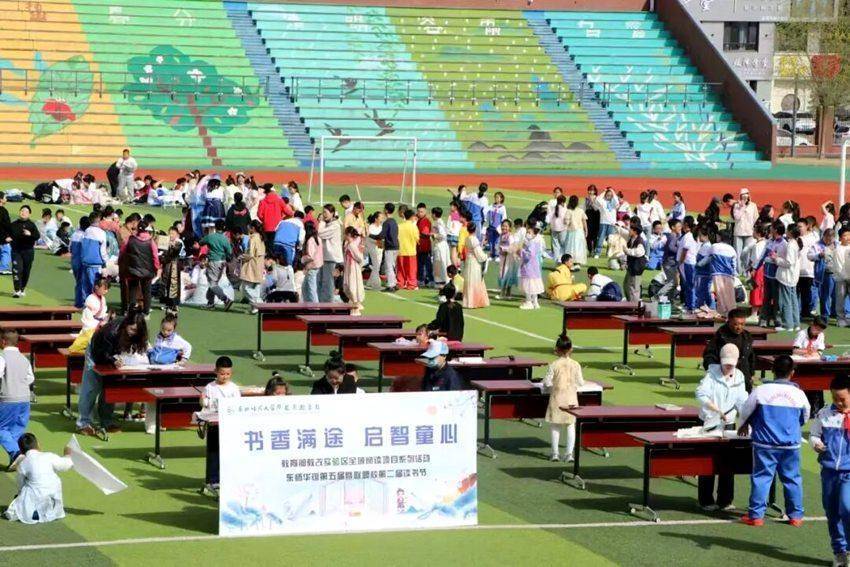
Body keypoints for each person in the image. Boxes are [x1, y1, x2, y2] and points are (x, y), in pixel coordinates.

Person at [739, 355, 809, 527]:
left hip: (765, 443)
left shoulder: (761, 390)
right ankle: (796, 516)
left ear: (772, 370)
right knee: (792, 479)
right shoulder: (799, 394)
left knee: (762, 478)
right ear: (792, 373)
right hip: (791, 444)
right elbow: (805, 416)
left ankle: (756, 516)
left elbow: (746, 410)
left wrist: (743, 424)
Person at [76, 310, 148, 436]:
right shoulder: (109, 332)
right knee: (91, 388)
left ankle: (106, 421)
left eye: (136, 331)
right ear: (126, 324)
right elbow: (101, 354)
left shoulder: (136, 333)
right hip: (95, 353)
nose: (133, 333)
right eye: (132, 329)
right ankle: (83, 423)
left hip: (113, 354)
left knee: (110, 388)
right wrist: (113, 360)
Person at [695, 343, 748, 511]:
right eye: (726, 364)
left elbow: (742, 400)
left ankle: (725, 500)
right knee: (708, 462)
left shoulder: (739, 376)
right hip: (709, 422)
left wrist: (746, 418)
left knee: (728, 462)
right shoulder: (711, 374)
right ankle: (705, 500)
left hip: (729, 423)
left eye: (731, 364)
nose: (728, 367)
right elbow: (700, 394)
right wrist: (715, 409)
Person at [809, 376, 850, 566]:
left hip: (848, 473)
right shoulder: (824, 413)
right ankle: (840, 552)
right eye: (834, 398)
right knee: (832, 513)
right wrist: (816, 443)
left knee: (847, 507)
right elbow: (814, 434)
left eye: (842, 399)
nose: (838, 402)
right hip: (829, 472)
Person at [4, 433, 73, 523]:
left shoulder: (22, 464)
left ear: (21, 450)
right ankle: (48, 511)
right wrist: (68, 454)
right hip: (54, 501)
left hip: (37, 500)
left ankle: (34, 512)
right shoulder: (49, 456)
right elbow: (67, 465)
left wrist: (19, 497)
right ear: (38, 444)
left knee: (20, 498)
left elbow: (20, 485)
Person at [200, 356, 240, 491]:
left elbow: (238, 405)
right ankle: (213, 480)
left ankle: (229, 478)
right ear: (216, 372)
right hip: (214, 425)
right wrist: (202, 400)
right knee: (214, 452)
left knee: (229, 452)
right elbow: (205, 404)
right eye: (222, 374)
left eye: (228, 374)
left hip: (229, 425)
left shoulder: (234, 388)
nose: (225, 377)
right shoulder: (210, 387)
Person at [543, 335, 584, 462]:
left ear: (557, 349)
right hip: (571, 399)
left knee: (556, 426)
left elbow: (547, 382)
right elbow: (581, 382)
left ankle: (555, 453)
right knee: (570, 426)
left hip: (557, 398)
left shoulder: (554, 364)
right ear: (571, 349)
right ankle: (569, 454)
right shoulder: (576, 364)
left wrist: (551, 387)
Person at [0, 330, 35, 468]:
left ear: (3, 341)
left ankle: (15, 453)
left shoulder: (2, 357)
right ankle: (18, 459)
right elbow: (30, 378)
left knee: (1, 428)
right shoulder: (24, 358)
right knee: (17, 429)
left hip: (8, 398)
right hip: (24, 398)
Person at [702, 307, 756, 391]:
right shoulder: (720, 336)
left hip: (744, 377)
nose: (739, 327)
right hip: (724, 378)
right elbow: (709, 356)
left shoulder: (747, 336)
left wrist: (751, 374)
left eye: (742, 324)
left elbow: (751, 357)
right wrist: (714, 374)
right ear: (729, 321)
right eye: (736, 324)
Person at [119, 220, 160, 316]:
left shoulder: (130, 239)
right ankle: (146, 311)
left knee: (132, 290)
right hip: (147, 271)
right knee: (147, 292)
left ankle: (131, 310)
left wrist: (121, 262)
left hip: (133, 269)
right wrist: (156, 268)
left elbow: (122, 251)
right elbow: (155, 257)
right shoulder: (151, 242)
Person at [199, 220, 234, 311]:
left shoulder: (211, 236)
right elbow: (229, 252)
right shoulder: (225, 239)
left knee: (212, 284)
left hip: (213, 261)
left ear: (215, 227)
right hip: (222, 262)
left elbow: (201, 242)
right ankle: (210, 303)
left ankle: (225, 299)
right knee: (213, 282)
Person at [775, 224, 803, 332]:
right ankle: (795, 323)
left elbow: (789, 262)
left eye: (787, 230)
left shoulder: (791, 244)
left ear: (791, 232)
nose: (786, 232)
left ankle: (788, 324)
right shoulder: (795, 243)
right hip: (792, 276)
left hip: (787, 276)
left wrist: (776, 259)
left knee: (785, 301)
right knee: (793, 300)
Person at [9, 205, 38, 298]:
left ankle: (22, 288)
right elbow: (6, 234)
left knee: (26, 271)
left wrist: (30, 234)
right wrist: (7, 238)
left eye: (26, 211)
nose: (23, 213)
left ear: (29, 214)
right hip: (16, 251)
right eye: (22, 210)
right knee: (17, 269)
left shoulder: (31, 225)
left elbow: (37, 236)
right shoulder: (13, 224)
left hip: (28, 251)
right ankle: (16, 290)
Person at [317, 204, 343, 302]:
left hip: (331, 258)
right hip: (325, 257)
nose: (324, 215)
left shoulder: (335, 225)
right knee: (322, 281)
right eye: (323, 212)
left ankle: (328, 304)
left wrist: (321, 222)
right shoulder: (329, 224)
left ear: (332, 213)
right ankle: (322, 303)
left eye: (325, 212)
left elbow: (320, 233)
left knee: (328, 283)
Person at [709, 232, 738, 317]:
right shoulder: (732, 249)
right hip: (729, 274)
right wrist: (734, 274)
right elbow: (734, 264)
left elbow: (708, 258)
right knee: (730, 294)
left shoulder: (714, 246)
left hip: (717, 273)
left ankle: (722, 312)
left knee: (719, 293)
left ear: (720, 237)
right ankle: (732, 311)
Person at [810, 228, 837, 323]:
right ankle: (825, 316)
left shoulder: (837, 244)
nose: (829, 240)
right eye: (827, 238)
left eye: (831, 238)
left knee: (836, 295)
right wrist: (819, 255)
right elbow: (809, 256)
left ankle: (835, 313)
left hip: (837, 273)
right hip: (824, 273)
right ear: (824, 236)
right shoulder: (817, 245)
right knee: (825, 296)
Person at [239, 220, 266, 309]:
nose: (247, 228)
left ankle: (257, 303)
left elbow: (250, 254)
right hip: (259, 264)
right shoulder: (261, 237)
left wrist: (242, 256)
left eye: (249, 227)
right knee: (256, 288)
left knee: (245, 288)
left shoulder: (253, 238)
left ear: (253, 228)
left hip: (252, 265)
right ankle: (255, 308)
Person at [462, 222, 490, 309]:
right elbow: (478, 253)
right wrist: (485, 256)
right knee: (475, 280)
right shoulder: (474, 239)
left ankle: (469, 301)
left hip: (469, 260)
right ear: (475, 229)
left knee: (470, 279)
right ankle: (474, 302)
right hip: (474, 262)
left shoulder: (467, 238)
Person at [158, 225, 185, 314]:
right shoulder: (166, 242)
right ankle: (168, 303)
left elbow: (175, 252)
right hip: (167, 266)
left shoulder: (178, 243)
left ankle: (174, 304)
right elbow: (161, 252)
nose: (171, 235)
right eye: (170, 233)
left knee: (174, 285)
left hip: (174, 266)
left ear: (177, 234)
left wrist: (171, 245)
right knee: (166, 284)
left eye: (173, 233)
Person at [732, 188, 758, 272]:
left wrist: (753, 228)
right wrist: (742, 206)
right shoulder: (736, 205)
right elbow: (737, 217)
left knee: (747, 252)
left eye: (746, 195)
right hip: (739, 232)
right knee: (738, 252)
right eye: (743, 196)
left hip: (749, 232)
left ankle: (746, 270)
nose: (745, 197)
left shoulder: (753, 205)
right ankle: (739, 271)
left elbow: (756, 218)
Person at [518, 225, 544, 310]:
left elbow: (529, 255)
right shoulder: (535, 243)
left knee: (529, 285)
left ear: (534, 235)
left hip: (529, 267)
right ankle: (535, 302)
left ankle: (529, 302)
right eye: (527, 232)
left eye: (529, 233)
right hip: (533, 267)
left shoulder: (531, 243)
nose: (527, 234)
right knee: (533, 285)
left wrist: (521, 251)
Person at [257, 185, 289, 249]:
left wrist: (265, 220)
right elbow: (289, 213)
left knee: (267, 246)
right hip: (277, 227)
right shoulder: (279, 200)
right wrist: (282, 219)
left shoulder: (262, 201)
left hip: (266, 227)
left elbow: (259, 215)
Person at [376, 202, 399, 292]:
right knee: (392, 266)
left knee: (388, 266)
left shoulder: (387, 222)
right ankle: (394, 282)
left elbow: (382, 235)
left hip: (390, 246)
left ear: (386, 210)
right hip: (396, 246)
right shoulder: (394, 221)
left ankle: (390, 285)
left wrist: (372, 235)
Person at [678, 217, 699, 313]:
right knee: (688, 285)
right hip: (690, 262)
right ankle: (689, 304)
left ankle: (691, 306)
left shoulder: (688, 236)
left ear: (686, 224)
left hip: (688, 262)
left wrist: (680, 261)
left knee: (690, 285)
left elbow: (685, 250)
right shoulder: (691, 235)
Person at [343, 226, 365, 315]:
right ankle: (354, 304)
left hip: (353, 268)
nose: (344, 236)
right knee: (349, 285)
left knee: (353, 285)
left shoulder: (352, 245)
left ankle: (356, 306)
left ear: (348, 234)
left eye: (345, 234)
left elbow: (359, 257)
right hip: (349, 267)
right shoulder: (348, 244)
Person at [624, 222, 647, 302]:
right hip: (631, 266)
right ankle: (630, 302)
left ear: (635, 231)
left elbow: (639, 252)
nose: (629, 231)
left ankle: (634, 305)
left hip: (637, 267)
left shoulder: (640, 241)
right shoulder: (631, 239)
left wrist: (627, 251)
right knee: (626, 285)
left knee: (634, 288)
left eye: (630, 229)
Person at [300, 221, 323, 302]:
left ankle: (315, 307)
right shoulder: (318, 238)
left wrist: (302, 259)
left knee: (311, 288)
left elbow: (310, 256)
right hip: (317, 265)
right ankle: (308, 304)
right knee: (305, 287)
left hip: (312, 266)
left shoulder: (310, 240)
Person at [397, 208, 419, 290]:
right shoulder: (413, 227)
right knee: (411, 270)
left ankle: (400, 283)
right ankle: (411, 284)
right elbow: (417, 239)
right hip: (411, 251)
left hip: (401, 250)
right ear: (412, 217)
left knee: (400, 269)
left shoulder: (399, 226)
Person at [593, 187, 619, 258]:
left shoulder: (614, 203)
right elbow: (597, 200)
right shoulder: (602, 202)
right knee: (601, 238)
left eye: (610, 195)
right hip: (603, 222)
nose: (609, 196)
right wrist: (604, 192)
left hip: (612, 223)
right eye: (608, 195)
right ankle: (597, 253)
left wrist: (612, 191)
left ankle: (609, 252)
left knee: (611, 239)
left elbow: (617, 200)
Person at [497, 219, 519, 299]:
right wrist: (500, 250)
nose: (504, 228)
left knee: (507, 274)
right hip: (502, 258)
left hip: (508, 258)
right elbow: (498, 246)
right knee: (502, 273)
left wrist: (505, 250)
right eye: (503, 226)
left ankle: (505, 293)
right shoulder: (501, 236)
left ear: (509, 228)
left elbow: (513, 247)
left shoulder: (510, 236)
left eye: (506, 226)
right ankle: (504, 292)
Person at [564, 195, 588, 268]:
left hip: (571, 232)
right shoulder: (580, 210)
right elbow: (584, 221)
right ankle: (578, 263)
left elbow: (566, 222)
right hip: (580, 232)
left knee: (571, 247)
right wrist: (586, 230)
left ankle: (571, 263)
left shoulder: (568, 211)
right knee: (579, 247)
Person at [431, 207, 449, 287]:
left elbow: (443, 235)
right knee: (438, 262)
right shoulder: (436, 222)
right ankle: (439, 280)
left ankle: (442, 281)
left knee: (441, 262)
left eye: (432, 213)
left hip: (440, 245)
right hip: (438, 244)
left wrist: (434, 235)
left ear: (434, 214)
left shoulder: (439, 223)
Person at [416, 202, 434, 285]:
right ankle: (422, 279)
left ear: (425, 211)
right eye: (419, 211)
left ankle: (429, 279)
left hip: (425, 246)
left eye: (421, 212)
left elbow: (425, 234)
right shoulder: (420, 220)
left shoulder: (425, 221)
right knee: (421, 263)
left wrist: (416, 234)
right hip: (420, 246)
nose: (420, 213)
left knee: (426, 264)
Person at [547, 194, 568, 262]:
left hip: (554, 228)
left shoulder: (554, 208)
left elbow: (548, 218)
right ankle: (562, 259)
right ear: (563, 202)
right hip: (562, 229)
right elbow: (566, 219)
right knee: (563, 245)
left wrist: (550, 224)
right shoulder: (564, 209)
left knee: (555, 245)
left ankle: (557, 260)